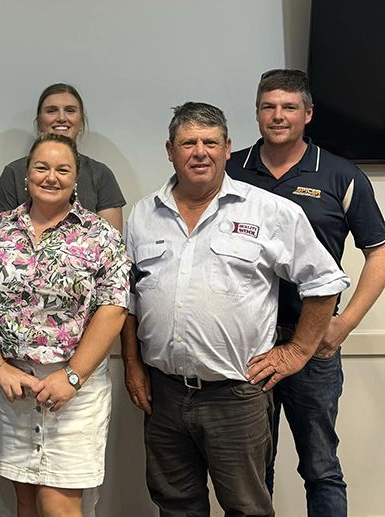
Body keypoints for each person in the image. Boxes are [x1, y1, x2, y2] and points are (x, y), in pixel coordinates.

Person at [121, 102, 350, 516]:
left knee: (247, 508)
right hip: (165, 394)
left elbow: (324, 281)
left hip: (236, 396)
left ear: (227, 148)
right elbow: (128, 299)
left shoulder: (269, 211)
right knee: (175, 505)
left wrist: (297, 351)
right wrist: (133, 364)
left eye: (210, 142)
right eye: (188, 143)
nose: (200, 152)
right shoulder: (142, 214)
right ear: (170, 150)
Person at [226, 69, 385, 516]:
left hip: (313, 341)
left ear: (308, 114)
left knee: (320, 467)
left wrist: (344, 324)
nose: (278, 115)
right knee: (253, 470)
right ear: (257, 113)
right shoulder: (230, 169)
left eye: (289, 107)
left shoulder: (340, 175)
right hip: (247, 343)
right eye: (269, 106)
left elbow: (379, 252)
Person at [0, 133, 130, 517]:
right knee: (24, 500)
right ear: (26, 174)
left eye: (62, 169)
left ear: (76, 178)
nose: (50, 177)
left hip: (74, 390)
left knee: (59, 504)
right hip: (11, 388)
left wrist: (72, 376)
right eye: (41, 167)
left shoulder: (100, 235)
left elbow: (114, 307)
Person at [0, 83, 126, 231]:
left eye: (70, 110)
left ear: (81, 122)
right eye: (51, 111)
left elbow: (111, 238)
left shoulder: (101, 175)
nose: (61, 118)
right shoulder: (14, 173)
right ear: (39, 122)